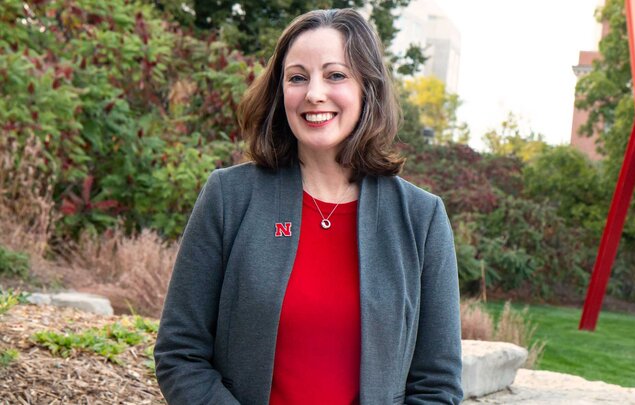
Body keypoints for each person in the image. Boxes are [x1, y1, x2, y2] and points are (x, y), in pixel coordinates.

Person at [154, 8, 462, 405]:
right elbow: (180, 353)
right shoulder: (229, 197)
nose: (314, 93)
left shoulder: (422, 219)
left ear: (367, 87)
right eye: (297, 77)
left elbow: (438, 385)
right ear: (280, 92)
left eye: (335, 75)